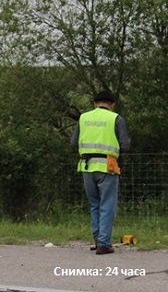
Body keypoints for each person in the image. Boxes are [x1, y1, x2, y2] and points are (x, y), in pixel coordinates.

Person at [71, 90, 130, 255]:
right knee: (107, 205)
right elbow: (125, 145)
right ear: (112, 105)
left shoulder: (83, 118)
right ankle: (104, 244)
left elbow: (73, 143)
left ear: (94, 103)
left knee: (95, 204)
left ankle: (97, 240)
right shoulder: (116, 118)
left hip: (86, 166)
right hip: (107, 167)